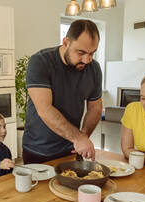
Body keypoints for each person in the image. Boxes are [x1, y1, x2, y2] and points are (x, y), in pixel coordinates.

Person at [22, 19, 103, 164]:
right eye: (81, 52)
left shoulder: (94, 69)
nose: (87, 60)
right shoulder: (40, 62)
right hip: (38, 150)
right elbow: (44, 109)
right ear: (66, 42)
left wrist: (83, 135)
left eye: (92, 53)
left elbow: (95, 107)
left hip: (71, 149)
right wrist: (78, 138)